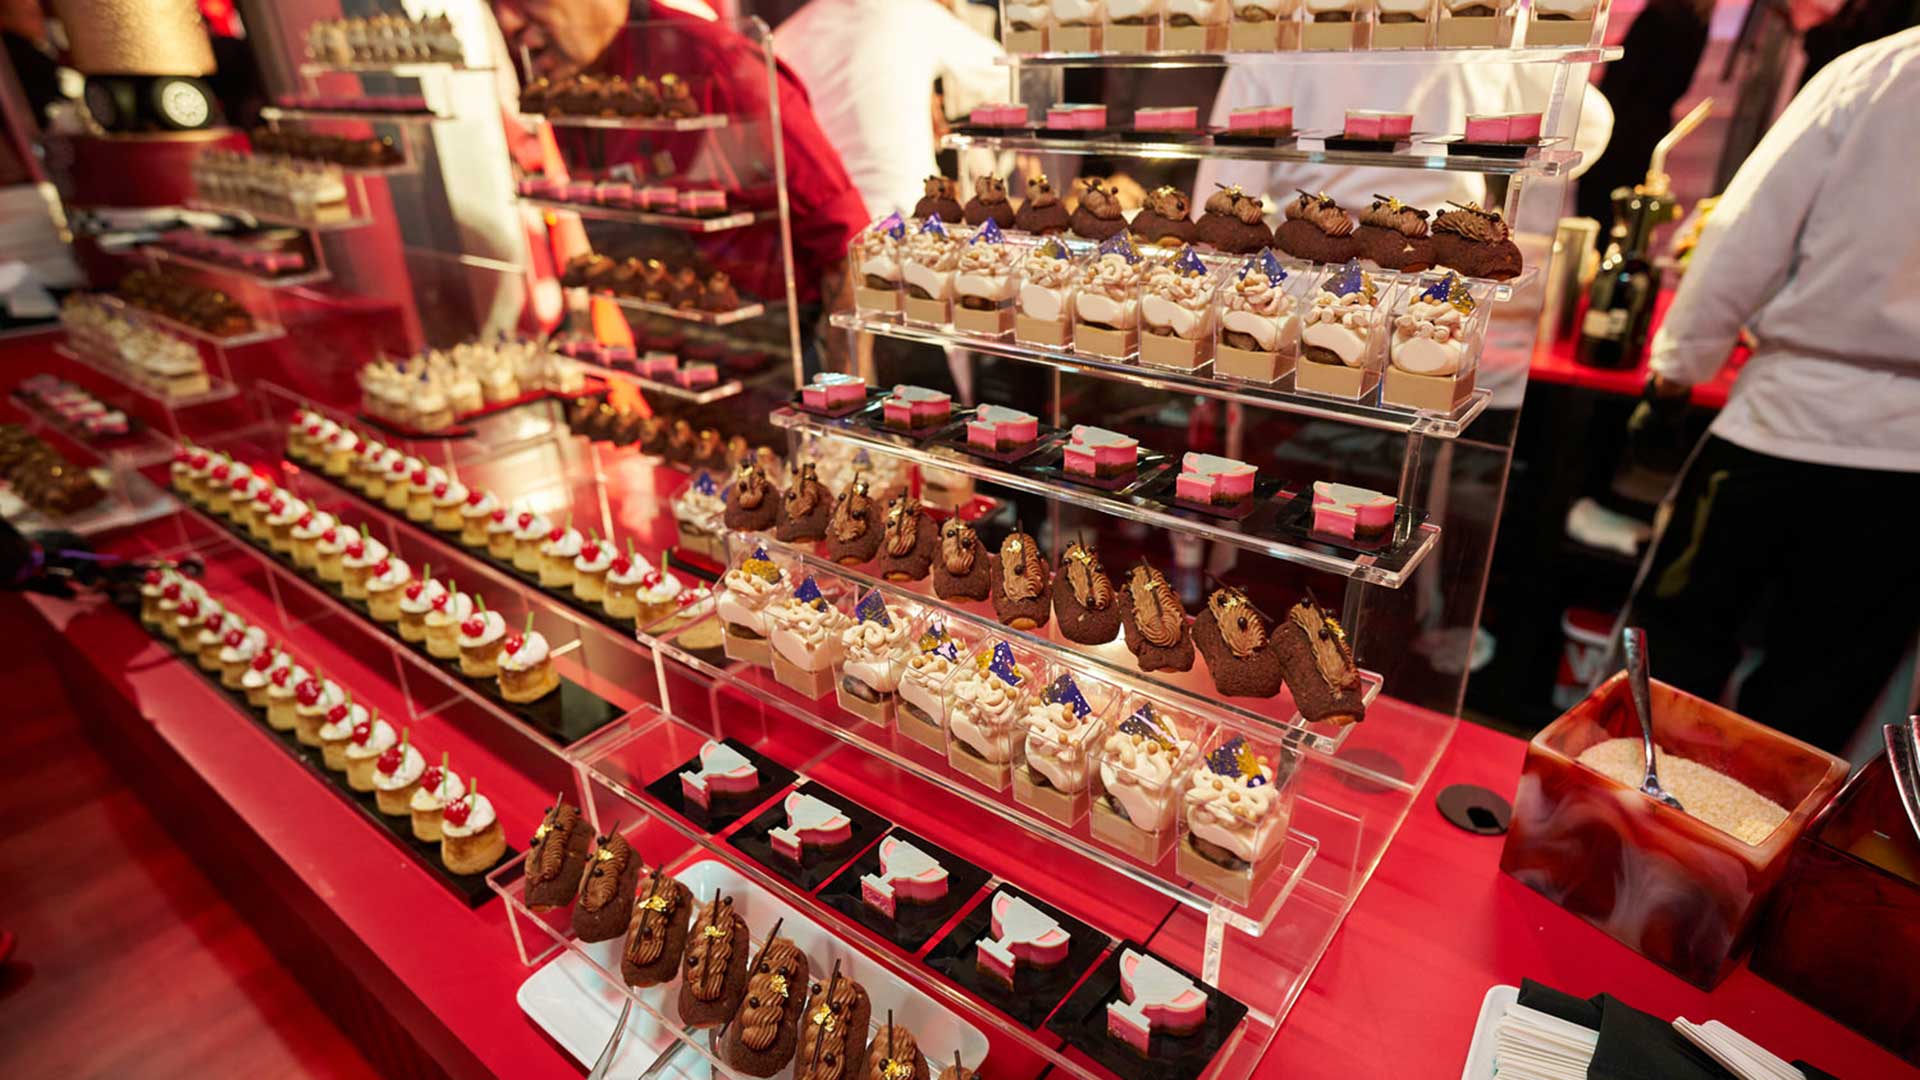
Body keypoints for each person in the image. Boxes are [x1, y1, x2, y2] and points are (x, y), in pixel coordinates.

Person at [1626, 27, 1920, 753]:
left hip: (1784, 420)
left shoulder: (1879, 72)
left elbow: (1742, 234)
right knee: (1813, 701)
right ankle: (1752, 861)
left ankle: (1632, 837)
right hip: (1904, 467)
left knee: (1675, 663)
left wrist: (1675, 375)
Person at [487, 0, 871, 363]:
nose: (508, 22)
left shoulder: (717, 68)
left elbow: (849, 250)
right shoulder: (564, 91)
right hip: (675, 368)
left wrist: (833, 413)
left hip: (780, 365)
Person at [772, 0, 1005, 220]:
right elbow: (1004, 72)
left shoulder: (784, 38)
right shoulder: (909, 12)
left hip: (827, 228)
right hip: (906, 219)